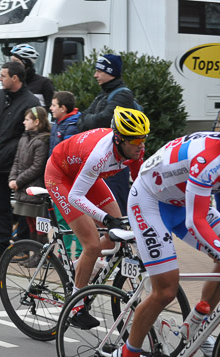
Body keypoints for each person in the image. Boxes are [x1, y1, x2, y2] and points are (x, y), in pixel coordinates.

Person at [110, 131, 220, 357]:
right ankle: (127, 356)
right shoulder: (208, 159)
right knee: (165, 290)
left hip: (182, 199)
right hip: (150, 202)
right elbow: (195, 222)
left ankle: (195, 324)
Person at [44, 107, 148, 329]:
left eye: (143, 138)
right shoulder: (100, 155)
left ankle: (81, 266)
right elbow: (75, 196)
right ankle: (75, 305)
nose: (141, 145)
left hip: (84, 176)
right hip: (61, 177)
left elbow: (141, 185)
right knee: (91, 244)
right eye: (136, 140)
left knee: (115, 235)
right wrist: (105, 218)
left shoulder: (135, 150)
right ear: (119, 139)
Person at [0, 61, 40, 260]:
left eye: (3, 75)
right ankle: (1, 245)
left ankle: (21, 246)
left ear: (15, 78)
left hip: (18, 165)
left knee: (21, 206)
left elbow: (31, 133)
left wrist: (11, 150)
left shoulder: (30, 102)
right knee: (0, 205)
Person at [77, 53, 140, 214]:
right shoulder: (105, 93)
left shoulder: (122, 94)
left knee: (115, 208)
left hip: (116, 161)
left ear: (110, 72)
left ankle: (119, 238)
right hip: (101, 158)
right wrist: (90, 120)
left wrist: (88, 120)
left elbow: (103, 120)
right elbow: (82, 119)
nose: (95, 75)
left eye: (99, 71)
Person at [8, 106, 50, 266]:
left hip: (35, 189)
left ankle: (43, 256)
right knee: (30, 223)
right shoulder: (24, 138)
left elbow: (37, 167)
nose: (24, 122)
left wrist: (18, 181)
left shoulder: (42, 141)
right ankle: (35, 254)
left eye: (27, 119)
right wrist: (12, 178)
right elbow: (17, 161)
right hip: (24, 190)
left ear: (37, 122)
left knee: (40, 224)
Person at [49, 90, 83, 258]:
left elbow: (69, 156)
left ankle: (80, 255)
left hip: (69, 180)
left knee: (77, 217)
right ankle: (65, 254)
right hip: (57, 178)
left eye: (54, 105)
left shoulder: (73, 126)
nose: (50, 108)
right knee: (61, 217)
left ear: (63, 108)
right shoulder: (58, 123)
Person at [10, 43, 55, 109]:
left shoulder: (44, 83)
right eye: (12, 61)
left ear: (26, 63)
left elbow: (51, 108)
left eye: (16, 61)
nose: (12, 65)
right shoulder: (12, 82)